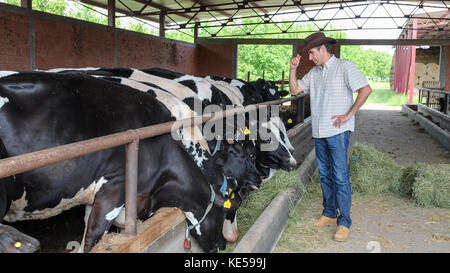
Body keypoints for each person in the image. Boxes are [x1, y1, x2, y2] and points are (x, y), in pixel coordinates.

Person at [289, 32, 372, 242]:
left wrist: (349, 114)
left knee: (340, 177)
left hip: (337, 131)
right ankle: (328, 213)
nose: (310, 57)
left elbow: (366, 89)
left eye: (312, 53)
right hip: (319, 131)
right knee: (325, 175)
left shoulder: (345, 67)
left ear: (323, 49)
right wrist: (293, 69)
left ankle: (344, 222)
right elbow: (295, 90)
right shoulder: (315, 73)